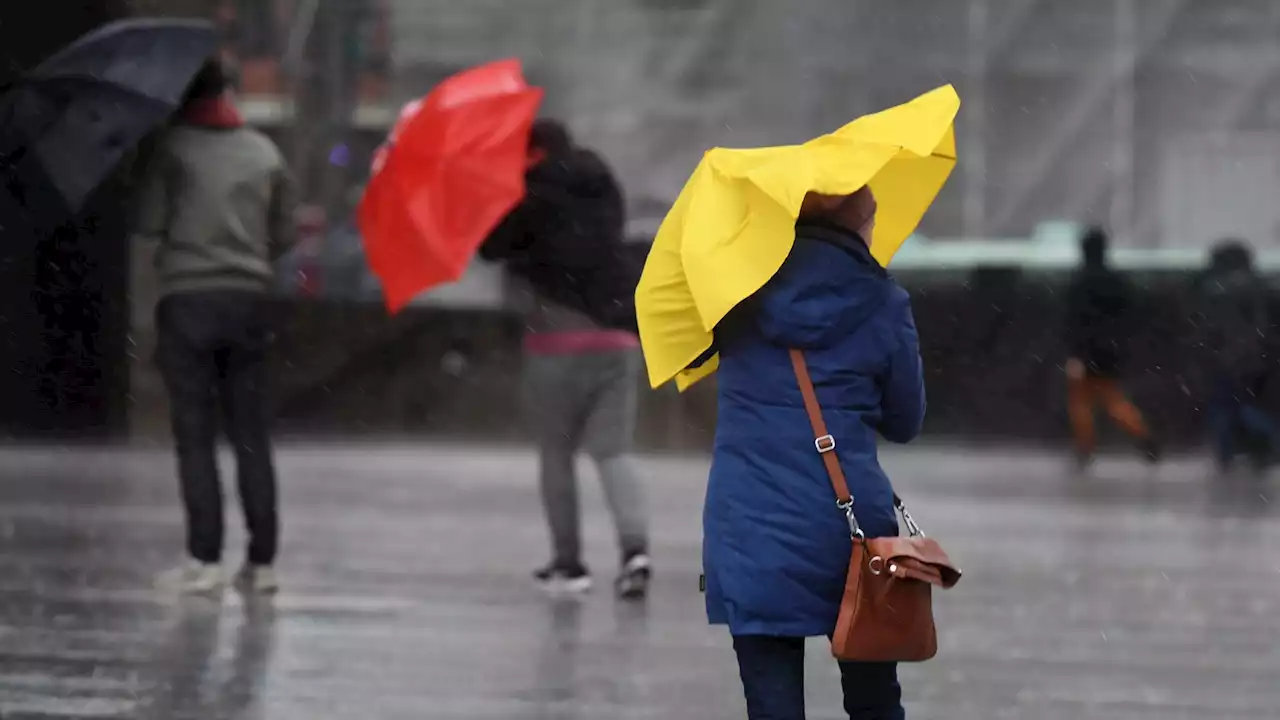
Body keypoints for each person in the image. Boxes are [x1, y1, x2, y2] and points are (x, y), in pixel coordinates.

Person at [701, 187, 920, 719]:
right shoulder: (884, 301)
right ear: (862, 222)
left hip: (750, 521)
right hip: (851, 526)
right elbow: (905, 420)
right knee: (874, 701)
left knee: (771, 703)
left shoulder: (733, 295)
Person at [133, 59, 297, 593]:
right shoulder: (264, 152)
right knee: (251, 435)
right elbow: (285, 231)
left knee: (195, 434)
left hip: (189, 300)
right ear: (227, 92)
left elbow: (149, 223)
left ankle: (204, 559)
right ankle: (263, 562)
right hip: (248, 301)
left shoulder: (171, 149)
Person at [481, 119, 652, 599]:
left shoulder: (530, 194)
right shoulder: (602, 184)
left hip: (554, 338)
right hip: (618, 336)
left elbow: (490, 247)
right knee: (614, 450)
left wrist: (502, 201)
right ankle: (635, 551)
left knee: (556, 454)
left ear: (532, 153)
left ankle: (569, 563)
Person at [1063, 225, 1160, 467]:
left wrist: (1075, 354)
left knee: (1081, 402)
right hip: (1112, 350)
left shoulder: (1080, 282)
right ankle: (1143, 435)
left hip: (1086, 350)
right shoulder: (1117, 280)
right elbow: (1130, 315)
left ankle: (1084, 449)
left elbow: (1075, 321)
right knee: (1113, 399)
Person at [1194, 239, 1278, 472]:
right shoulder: (1258, 285)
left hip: (1224, 357)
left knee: (1225, 407)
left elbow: (1210, 328)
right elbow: (1262, 324)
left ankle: (1227, 452)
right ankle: (1263, 445)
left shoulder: (1215, 288)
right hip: (1253, 357)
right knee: (1246, 405)